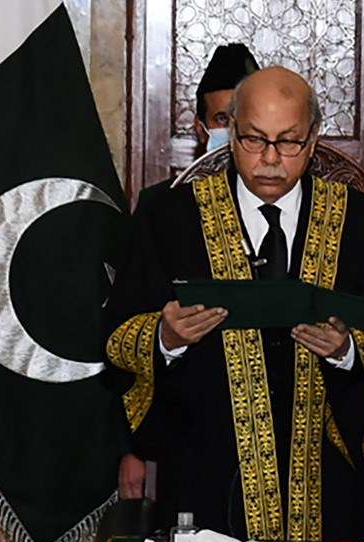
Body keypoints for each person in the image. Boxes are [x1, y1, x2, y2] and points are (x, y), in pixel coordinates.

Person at [105, 66, 364, 542]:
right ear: (230, 133)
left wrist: (347, 352)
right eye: (255, 139)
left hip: (331, 495)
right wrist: (165, 338)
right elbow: (117, 336)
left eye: (288, 141)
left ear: (313, 139)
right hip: (203, 490)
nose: (270, 159)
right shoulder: (169, 220)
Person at [118, 43, 260, 500]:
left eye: (245, 123)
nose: (234, 133)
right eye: (222, 120)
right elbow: (125, 323)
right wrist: (133, 448)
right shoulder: (164, 208)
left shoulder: (312, 206)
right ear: (202, 129)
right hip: (192, 437)